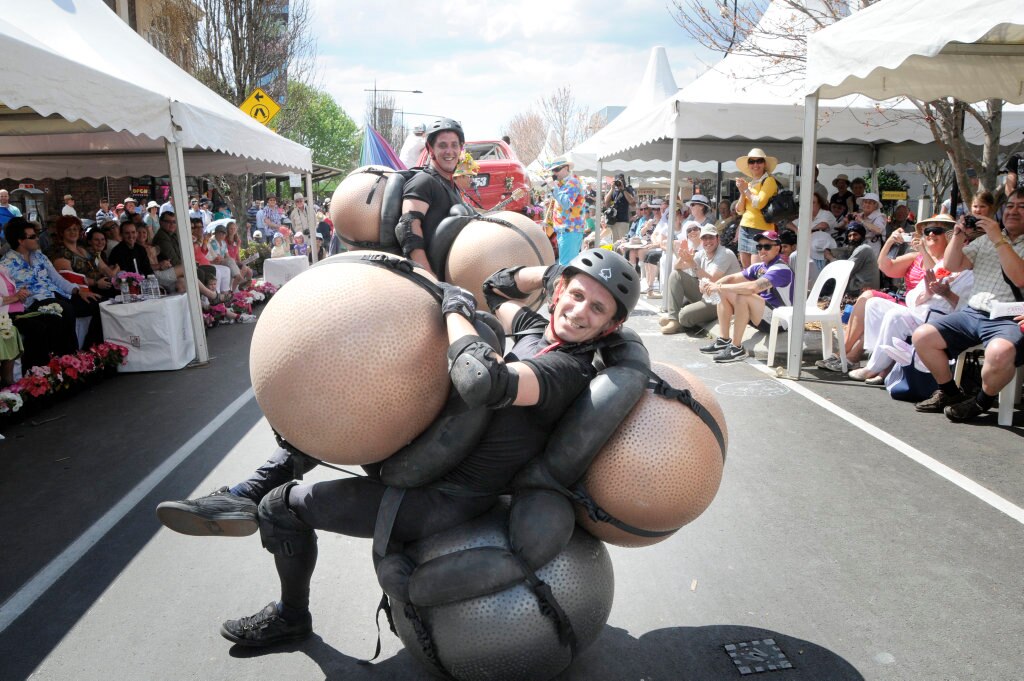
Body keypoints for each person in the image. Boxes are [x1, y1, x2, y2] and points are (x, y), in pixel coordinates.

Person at [155, 249, 641, 648]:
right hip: (427, 452)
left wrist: (455, 311)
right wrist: (561, 269)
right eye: (575, 296)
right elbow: (496, 285)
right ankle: (243, 490)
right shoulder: (538, 330)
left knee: (283, 509)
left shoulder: (567, 372)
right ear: (559, 293)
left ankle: (290, 615)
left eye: (597, 310)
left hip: (436, 500)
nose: (578, 312)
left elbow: (485, 382)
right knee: (338, 409)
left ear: (609, 328)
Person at [911, 188, 1024, 422]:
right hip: (973, 313)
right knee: (922, 336)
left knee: (1000, 353)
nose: (1013, 211)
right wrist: (959, 235)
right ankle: (951, 393)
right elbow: (952, 264)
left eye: (1021, 207)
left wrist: (998, 239)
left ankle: (981, 401)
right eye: (1011, 206)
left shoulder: (994, 239)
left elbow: (1019, 277)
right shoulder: (983, 242)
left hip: (1009, 318)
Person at [817, 215, 954, 373]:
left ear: (948, 235)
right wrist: (890, 241)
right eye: (928, 230)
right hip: (905, 301)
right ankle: (844, 352)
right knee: (867, 298)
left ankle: (850, 357)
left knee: (877, 310)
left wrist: (923, 250)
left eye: (936, 230)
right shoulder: (916, 257)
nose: (930, 234)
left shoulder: (949, 261)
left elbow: (935, 275)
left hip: (923, 308)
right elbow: (884, 266)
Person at [1, 218, 99, 363]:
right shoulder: (6, 264)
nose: (37, 239)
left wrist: (77, 291)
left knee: (96, 304)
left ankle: (92, 351)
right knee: (64, 310)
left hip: (56, 294)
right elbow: (8, 294)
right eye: (33, 237)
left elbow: (57, 279)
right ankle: (67, 360)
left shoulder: (40, 256)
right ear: (20, 241)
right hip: (34, 302)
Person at [700, 230, 793, 363]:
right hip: (763, 315)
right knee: (724, 291)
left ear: (777, 248)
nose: (762, 250)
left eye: (767, 246)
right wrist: (711, 285)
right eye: (759, 247)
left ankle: (736, 348)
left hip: (780, 321)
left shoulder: (781, 269)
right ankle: (724, 340)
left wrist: (718, 287)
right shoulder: (759, 267)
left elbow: (752, 288)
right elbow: (732, 278)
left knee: (743, 295)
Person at [396, 118, 468, 276]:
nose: (449, 151)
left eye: (454, 145)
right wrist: (430, 279)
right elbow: (407, 229)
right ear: (430, 149)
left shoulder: (450, 185)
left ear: (461, 148)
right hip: (434, 281)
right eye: (442, 145)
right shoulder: (423, 182)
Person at [661, 224, 741, 335]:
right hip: (707, 294)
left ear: (718, 238)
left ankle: (680, 318)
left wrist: (692, 263)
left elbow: (712, 279)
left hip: (722, 300)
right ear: (701, 240)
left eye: (711, 237)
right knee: (676, 275)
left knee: (684, 315)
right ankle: (674, 319)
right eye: (704, 238)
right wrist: (682, 256)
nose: (708, 241)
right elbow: (677, 267)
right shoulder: (702, 253)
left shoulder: (725, 254)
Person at [49, 216, 116, 298]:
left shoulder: (86, 249)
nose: (73, 232)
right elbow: (71, 279)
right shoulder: (60, 254)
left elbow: (102, 267)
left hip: (103, 284)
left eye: (75, 229)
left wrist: (114, 279)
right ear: (62, 233)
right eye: (68, 229)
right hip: (84, 291)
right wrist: (96, 283)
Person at [734, 148, 780, 268]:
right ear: (748, 165)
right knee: (746, 269)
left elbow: (759, 203)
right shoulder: (749, 184)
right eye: (752, 161)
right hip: (745, 228)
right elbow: (739, 210)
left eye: (759, 161)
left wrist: (745, 189)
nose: (755, 164)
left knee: (757, 269)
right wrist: (743, 191)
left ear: (764, 164)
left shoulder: (769, 181)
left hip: (761, 229)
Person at [545, 155, 586, 266]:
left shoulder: (573, 182)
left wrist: (553, 187)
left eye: (557, 169)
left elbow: (566, 204)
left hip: (570, 230)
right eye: (553, 170)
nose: (554, 173)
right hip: (565, 230)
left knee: (566, 266)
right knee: (567, 265)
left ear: (566, 168)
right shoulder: (563, 184)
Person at [151, 211, 188, 295]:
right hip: (166, 270)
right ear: (161, 222)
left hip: (175, 270)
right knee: (191, 271)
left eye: (174, 222)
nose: (172, 224)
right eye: (168, 222)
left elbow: (183, 254)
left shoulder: (173, 235)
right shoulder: (162, 237)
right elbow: (173, 260)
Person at [604, 173, 637, 241]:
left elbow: (632, 202)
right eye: (618, 180)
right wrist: (612, 188)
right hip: (613, 221)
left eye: (621, 179)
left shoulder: (628, 189)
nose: (619, 182)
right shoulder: (614, 190)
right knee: (614, 243)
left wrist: (623, 189)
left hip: (623, 221)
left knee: (622, 242)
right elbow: (606, 201)